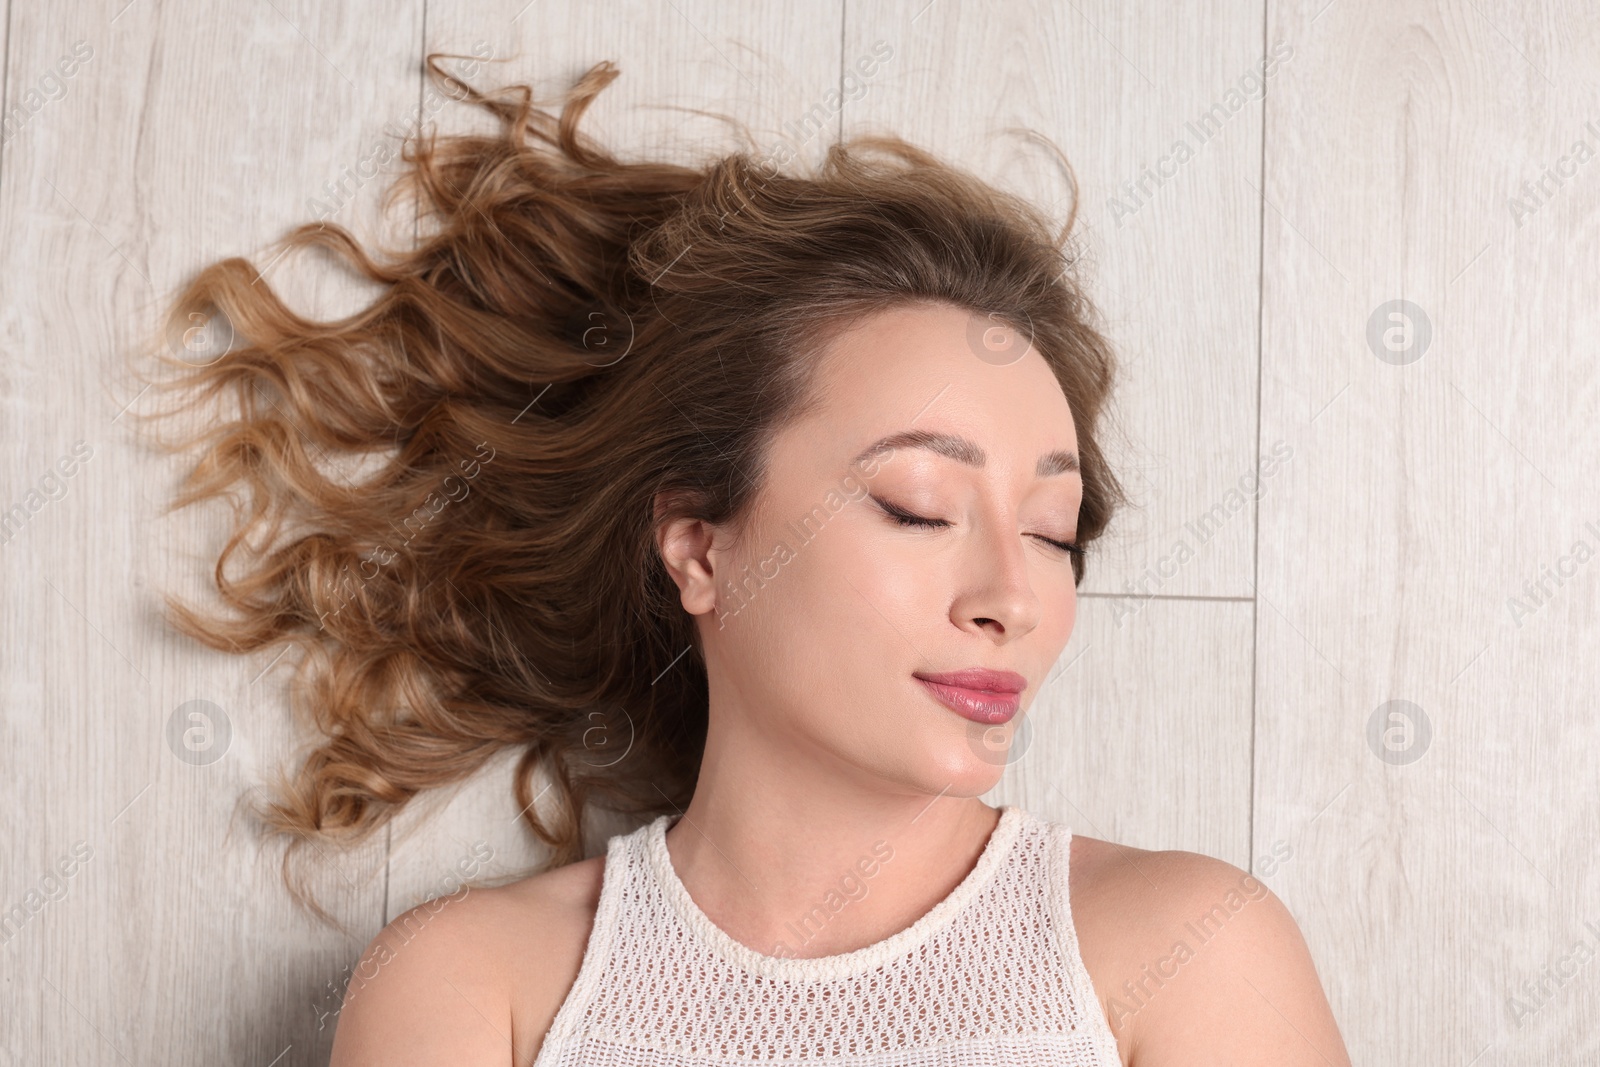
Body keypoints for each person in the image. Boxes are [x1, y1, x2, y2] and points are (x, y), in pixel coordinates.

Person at [141, 55, 1351, 1066]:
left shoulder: (1184, 951)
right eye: (919, 505)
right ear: (701, 548)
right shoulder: (477, 991)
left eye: (1051, 529)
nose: (1011, 597)